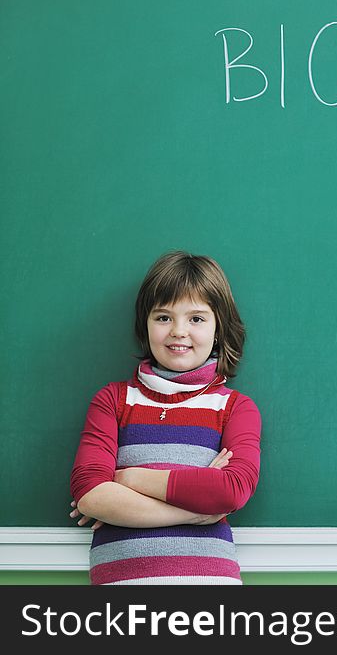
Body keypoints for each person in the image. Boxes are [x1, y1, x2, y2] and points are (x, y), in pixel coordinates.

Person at [69, 251, 261, 585]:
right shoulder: (112, 400)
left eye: (197, 319)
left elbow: (231, 490)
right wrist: (195, 510)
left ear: (219, 329)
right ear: (146, 323)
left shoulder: (235, 408)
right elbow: (90, 493)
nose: (179, 331)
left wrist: (128, 480)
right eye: (163, 317)